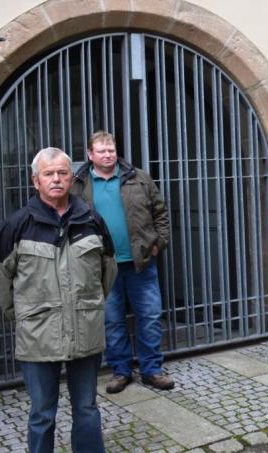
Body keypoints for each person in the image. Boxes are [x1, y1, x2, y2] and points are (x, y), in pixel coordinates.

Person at [0, 147, 117, 453]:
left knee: (87, 408)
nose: (56, 179)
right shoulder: (17, 225)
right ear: (36, 181)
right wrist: (22, 313)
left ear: (72, 178)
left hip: (85, 332)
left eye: (62, 173)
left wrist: (88, 304)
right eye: (49, 174)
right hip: (37, 337)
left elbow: (107, 269)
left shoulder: (91, 220)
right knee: (42, 414)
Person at [72, 130, 173, 393]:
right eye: (102, 151)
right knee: (112, 320)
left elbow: (160, 212)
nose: (108, 155)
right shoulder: (79, 184)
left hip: (141, 262)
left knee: (149, 316)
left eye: (111, 150)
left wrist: (158, 243)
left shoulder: (139, 178)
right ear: (90, 155)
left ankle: (152, 370)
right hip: (103, 267)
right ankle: (121, 370)